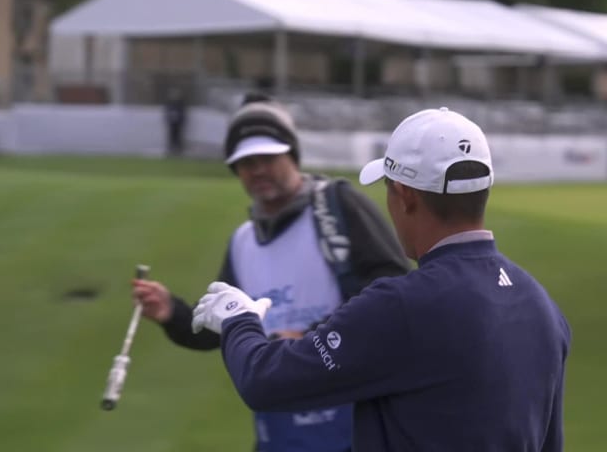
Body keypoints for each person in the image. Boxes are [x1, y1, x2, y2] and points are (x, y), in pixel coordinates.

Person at [191, 107, 572, 451]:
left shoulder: (401, 306)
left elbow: (265, 381)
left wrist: (237, 319)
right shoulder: (542, 306)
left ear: (404, 196)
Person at [133, 92, 410, 452]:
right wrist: (172, 312)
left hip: (353, 425)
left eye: (267, 157)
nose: (258, 169)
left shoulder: (337, 206)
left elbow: (391, 292)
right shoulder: (243, 241)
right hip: (281, 432)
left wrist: (309, 340)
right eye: (246, 162)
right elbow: (222, 328)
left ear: (291, 155)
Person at [163, 88, 187, 157]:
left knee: (178, 135)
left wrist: (181, 119)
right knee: (171, 135)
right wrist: (169, 118)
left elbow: (183, 113)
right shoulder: (169, 103)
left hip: (178, 123)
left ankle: (179, 149)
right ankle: (171, 148)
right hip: (171, 122)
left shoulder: (181, 103)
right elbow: (167, 112)